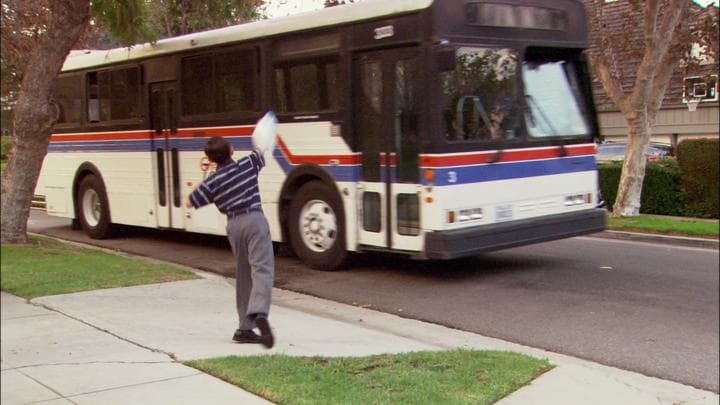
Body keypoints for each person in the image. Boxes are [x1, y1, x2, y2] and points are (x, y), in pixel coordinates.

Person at [187, 112, 278, 348]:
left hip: (234, 226)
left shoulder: (213, 182)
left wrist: (206, 180)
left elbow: (191, 201)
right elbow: (263, 151)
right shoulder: (247, 164)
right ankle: (259, 312)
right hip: (255, 219)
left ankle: (244, 328)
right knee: (263, 269)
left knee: (244, 274)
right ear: (231, 152)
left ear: (211, 159)